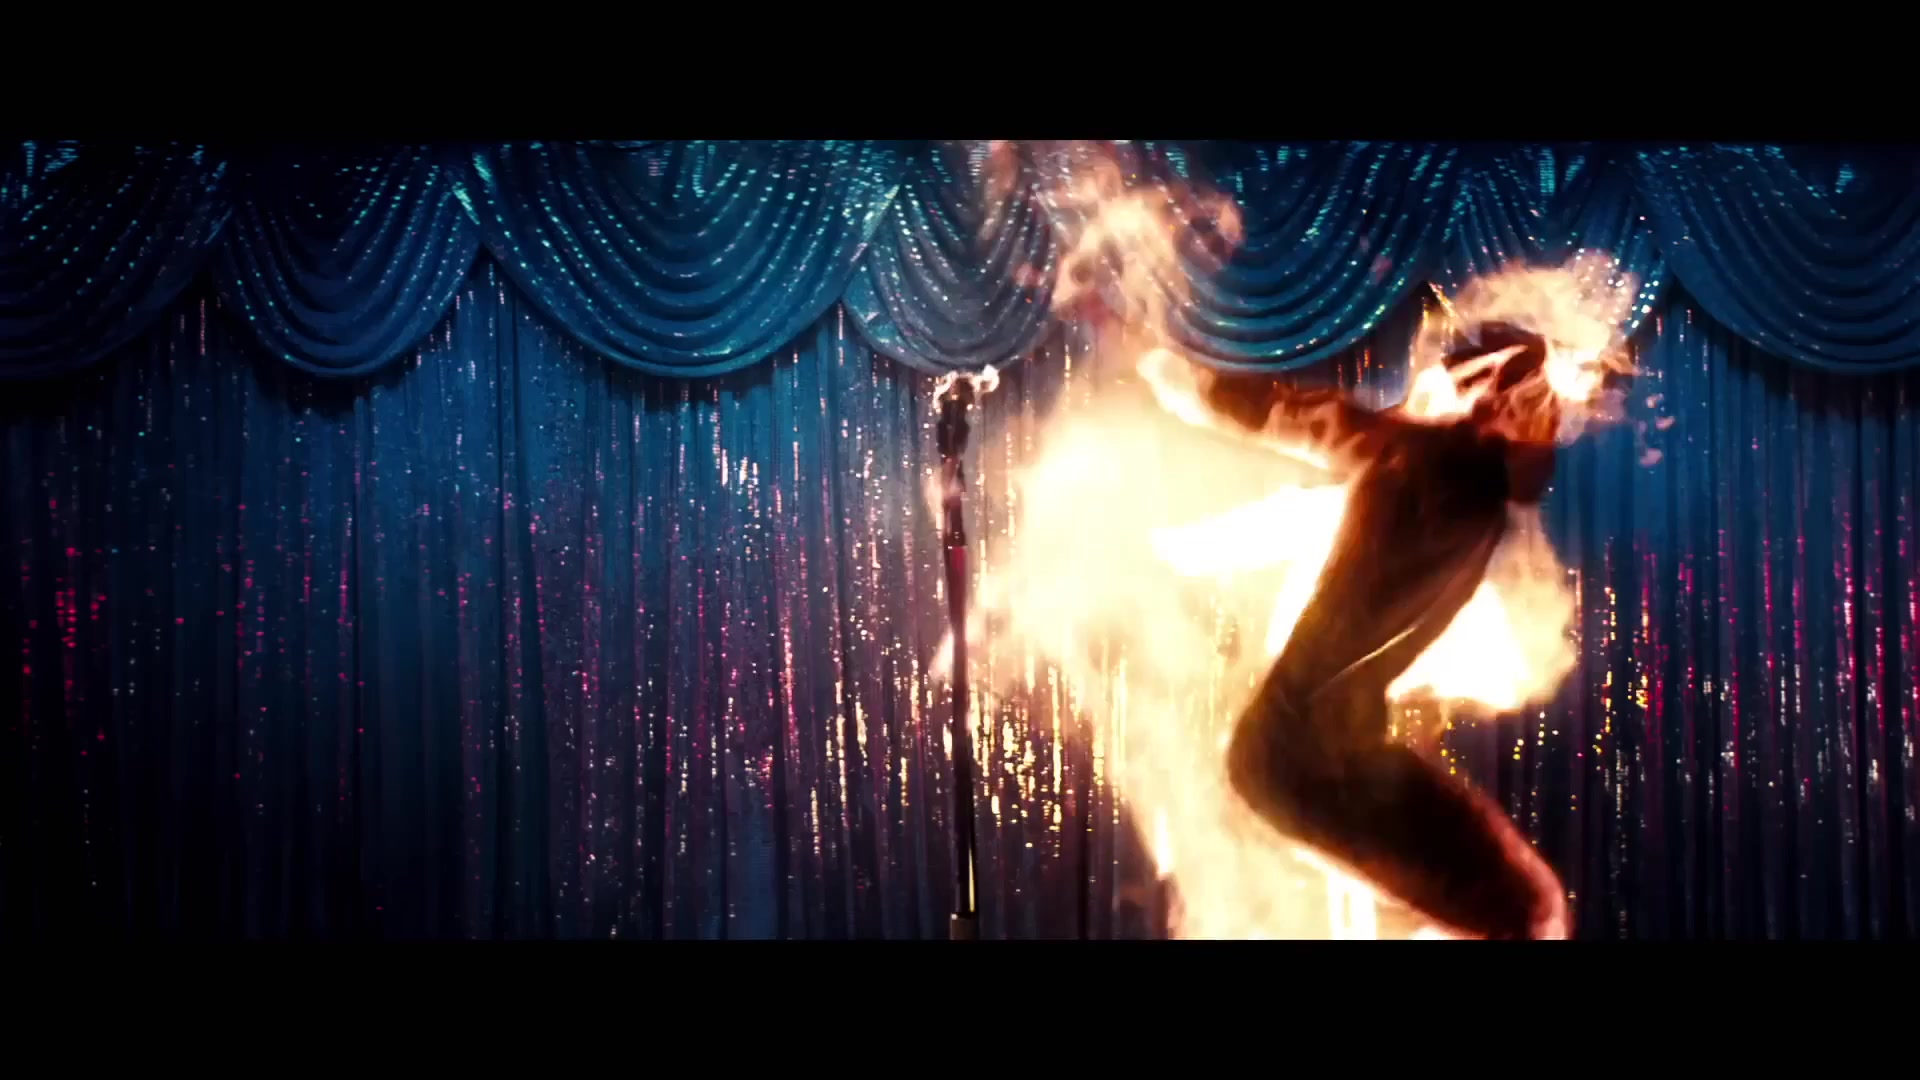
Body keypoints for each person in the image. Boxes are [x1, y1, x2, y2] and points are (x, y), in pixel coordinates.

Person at [1138, 322, 1576, 940]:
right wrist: (1174, 372)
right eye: (1547, 410)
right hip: (1303, 759)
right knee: (1526, 911)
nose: (1557, 431)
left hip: (1323, 753)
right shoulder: (1425, 456)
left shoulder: (1475, 491)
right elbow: (1292, 416)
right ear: (1498, 402)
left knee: (1522, 909)